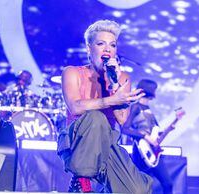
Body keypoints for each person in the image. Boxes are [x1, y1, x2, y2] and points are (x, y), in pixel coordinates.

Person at [57, 20, 153, 193]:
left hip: (107, 143)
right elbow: (75, 107)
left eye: (112, 45)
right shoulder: (72, 72)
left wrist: (113, 84)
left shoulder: (122, 77)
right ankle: (81, 182)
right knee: (96, 117)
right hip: (77, 141)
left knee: (137, 190)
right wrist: (111, 101)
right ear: (89, 48)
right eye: (101, 44)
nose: (107, 49)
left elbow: (123, 120)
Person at [122, 79, 178, 194]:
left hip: (154, 152)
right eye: (154, 90)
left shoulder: (149, 110)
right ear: (149, 91)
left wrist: (169, 129)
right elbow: (125, 129)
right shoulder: (136, 107)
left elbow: (156, 137)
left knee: (168, 183)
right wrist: (144, 136)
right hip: (140, 152)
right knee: (140, 187)